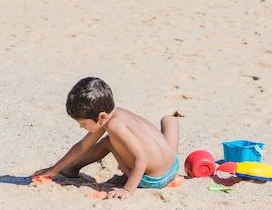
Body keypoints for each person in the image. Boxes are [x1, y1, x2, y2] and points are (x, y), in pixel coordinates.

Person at [33, 77, 180, 200]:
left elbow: (142, 159)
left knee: (107, 142)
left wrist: (127, 190)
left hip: (153, 180)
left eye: (83, 123)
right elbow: (82, 146)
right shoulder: (117, 114)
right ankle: (70, 167)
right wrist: (54, 168)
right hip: (173, 165)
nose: (81, 127)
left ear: (102, 117)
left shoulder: (116, 126)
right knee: (169, 120)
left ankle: (72, 168)